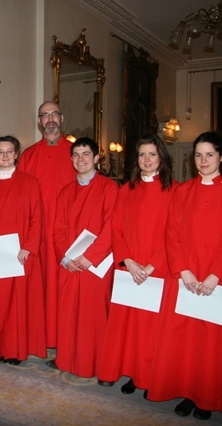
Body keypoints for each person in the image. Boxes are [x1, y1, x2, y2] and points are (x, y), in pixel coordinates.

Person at [148, 131, 222, 420]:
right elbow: (172, 235)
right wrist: (185, 271)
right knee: (186, 339)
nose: (203, 161)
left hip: (218, 277)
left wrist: (215, 276)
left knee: (212, 342)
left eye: (209, 154)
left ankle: (207, 397)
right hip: (187, 277)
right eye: (198, 155)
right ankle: (187, 392)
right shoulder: (183, 191)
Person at [96, 136, 178, 395]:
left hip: (157, 268)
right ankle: (129, 370)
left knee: (150, 327)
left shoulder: (175, 190)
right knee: (127, 324)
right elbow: (116, 228)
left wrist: (152, 266)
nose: (147, 160)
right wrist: (129, 261)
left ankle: (149, 375)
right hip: (128, 266)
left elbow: (175, 233)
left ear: (161, 157)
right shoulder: (126, 189)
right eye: (142, 155)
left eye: (152, 154)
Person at [47, 137, 118, 378]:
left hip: (97, 264)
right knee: (68, 312)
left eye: (86, 154)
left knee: (94, 315)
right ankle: (67, 360)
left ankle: (98, 365)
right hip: (70, 263)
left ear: (97, 158)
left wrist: (90, 257)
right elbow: (57, 229)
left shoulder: (109, 188)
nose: (81, 159)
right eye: (76, 155)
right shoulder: (66, 191)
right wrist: (65, 259)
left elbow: (112, 227)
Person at [0, 135, 47, 365]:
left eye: (10, 151)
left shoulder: (30, 181)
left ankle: (16, 349)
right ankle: (0, 347)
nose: (5, 156)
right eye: (0, 152)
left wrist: (29, 247)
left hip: (21, 254)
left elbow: (38, 218)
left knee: (19, 303)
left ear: (16, 154)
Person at [18, 101, 76, 349]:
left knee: (66, 289)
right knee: (38, 286)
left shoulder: (77, 153)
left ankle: (65, 340)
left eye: (54, 114)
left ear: (61, 118)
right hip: (37, 234)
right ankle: (39, 338)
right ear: (39, 121)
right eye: (44, 115)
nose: (50, 119)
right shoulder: (29, 155)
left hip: (68, 233)